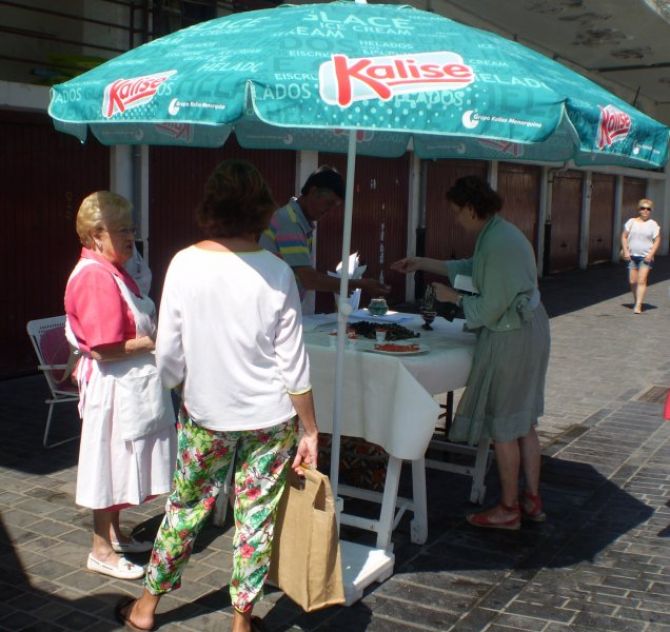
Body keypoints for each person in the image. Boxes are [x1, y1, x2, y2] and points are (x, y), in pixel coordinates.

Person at [114, 160, 319, 632]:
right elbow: (294, 364)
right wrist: (310, 428)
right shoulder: (277, 271)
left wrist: (181, 387)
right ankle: (241, 622)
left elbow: (168, 352)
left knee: (185, 509)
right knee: (255, 519)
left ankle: (145, 608)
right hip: (270, 419)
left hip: (206, 414)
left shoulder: (185, 263)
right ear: (262, 210)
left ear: (211, 205)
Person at [391, 175, 550, 531]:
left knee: (506, 425)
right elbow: (469, 268)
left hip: (512, 335)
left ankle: (509, 508)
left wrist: (454, 298)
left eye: (457, 212)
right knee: (524, 421)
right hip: (527, 329)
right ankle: (531, 499)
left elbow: (491, 306)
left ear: (471, 208)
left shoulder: (497, 242)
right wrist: (421, 262)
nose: (456, 219)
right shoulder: (497, 233)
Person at [64, 191, 177, 579]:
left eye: (132, 228)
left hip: (126, 385)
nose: (131, 236)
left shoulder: (112, 268)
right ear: (96, 235)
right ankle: (100, 549)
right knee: (109, 465)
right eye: (121, 230)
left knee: (119, 461)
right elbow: (104, 347)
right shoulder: (96, 276)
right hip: (113, 387)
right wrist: (156, 340)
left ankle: (113, 534)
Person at [259, 165, 389, 309]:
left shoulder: (297, 219)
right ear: (313, 192)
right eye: (328, 203)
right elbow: (309, 279)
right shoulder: (291, 222)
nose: (329, 210)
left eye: (334, 207)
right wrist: (358, 284)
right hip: (272, 308)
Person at [621, 198, 660, 314]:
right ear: (639, 209)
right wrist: (625, 250)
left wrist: (651, 254)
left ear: (651, 211)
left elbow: (657, 240)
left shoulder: (653, 224)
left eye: (648, 209)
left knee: (642, 280)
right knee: (633, 281)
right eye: (643, 208)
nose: (645, 211)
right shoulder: (631, 222)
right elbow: (623, 236)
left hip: (645, 257)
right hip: (632, 256)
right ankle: (636, 299)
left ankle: (638, 305)